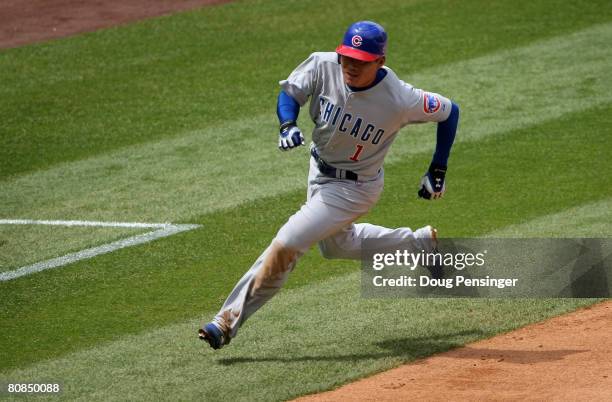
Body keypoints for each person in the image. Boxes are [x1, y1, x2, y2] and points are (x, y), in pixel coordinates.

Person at [199, 21, 460, 349]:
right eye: (346, 58)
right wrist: (287, 124)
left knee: (287, 243)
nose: (350, 67)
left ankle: (225, 321)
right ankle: (418, 245)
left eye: (360, 61)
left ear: (379, 62)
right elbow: (290, 92)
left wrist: (438, 168)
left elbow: (450, 112)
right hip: (318, 170)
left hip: (354, 188)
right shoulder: (323, 65)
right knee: (335, 246)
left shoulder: (400, 98)